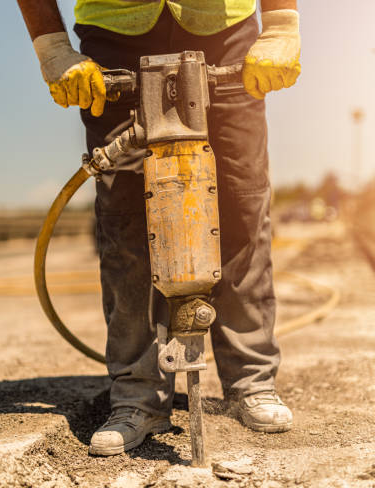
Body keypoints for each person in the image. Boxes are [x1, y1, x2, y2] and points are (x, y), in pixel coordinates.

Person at [17, 0, 301, 456]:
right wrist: (53, 46)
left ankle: (252, 381)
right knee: (126, 222)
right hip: (115, 36)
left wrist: (281, 23)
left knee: (240, 207)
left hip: (223, 29)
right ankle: (138, 395)